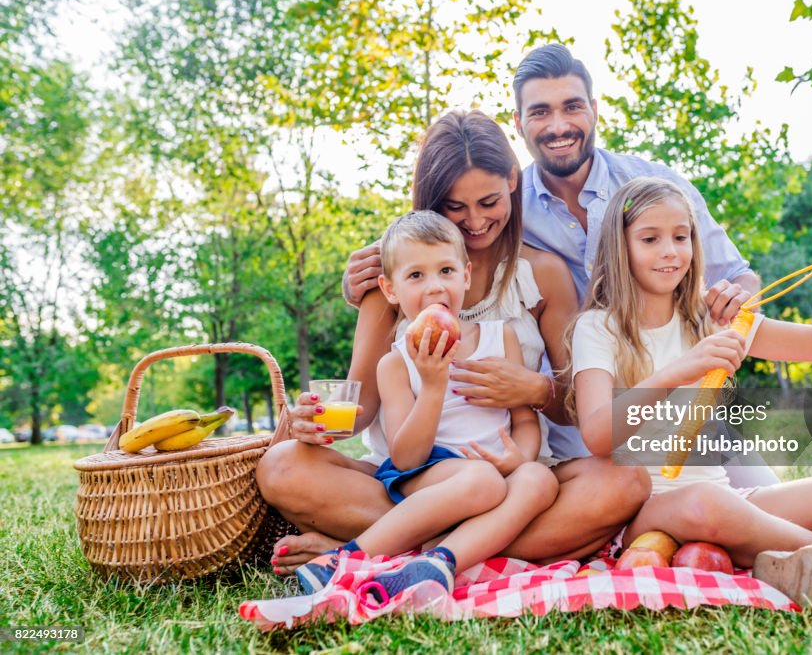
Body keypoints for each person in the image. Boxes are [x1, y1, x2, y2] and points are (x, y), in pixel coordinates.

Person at [343, 43, 780, 486]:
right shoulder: (505, 208)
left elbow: (739, 275)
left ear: (593, 109)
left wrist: (737, 297)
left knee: (770, 510)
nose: (558, 126)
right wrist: (370, 279)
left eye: (572, 107)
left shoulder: (655, 186)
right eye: (539, 112)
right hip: (582, 430)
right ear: (519, 123)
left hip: (679, 406)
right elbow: (424, 245)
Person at [257, 111, 651, 576]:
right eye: (454, 207)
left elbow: (581, 409)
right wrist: (316, 419)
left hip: (510, 473)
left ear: (511, 181)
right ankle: (453, 548)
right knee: (282, 467)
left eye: (488, 201)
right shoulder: (394, 274)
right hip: (413, 481)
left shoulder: (541, 273)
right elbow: (361, 405)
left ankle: (383, 548)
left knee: (625, 479)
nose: (475, 222)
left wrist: (533, 390)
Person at [570, 176, 812, 609]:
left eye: (681, 236)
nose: (670, 251)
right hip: (646, 513)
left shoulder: (711, 319)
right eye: (650, 238)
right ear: (620, 247)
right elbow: (597, 434)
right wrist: (681, 370)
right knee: (706, 504)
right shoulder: (598, 328)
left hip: (730, 501)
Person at [292, 211, 559, 600]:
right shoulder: (396, 363)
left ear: (466, 275)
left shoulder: (500, 337)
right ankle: (346, 559)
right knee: (481, 480)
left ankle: (437, 563)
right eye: (416, 276)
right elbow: (405, 457)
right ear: (390, 289)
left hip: (497, 472)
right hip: (428, 472)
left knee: (540, 480)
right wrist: (433, 387)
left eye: (446, 271)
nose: (435, 287)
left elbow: (525, 419)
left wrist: (521, 458)